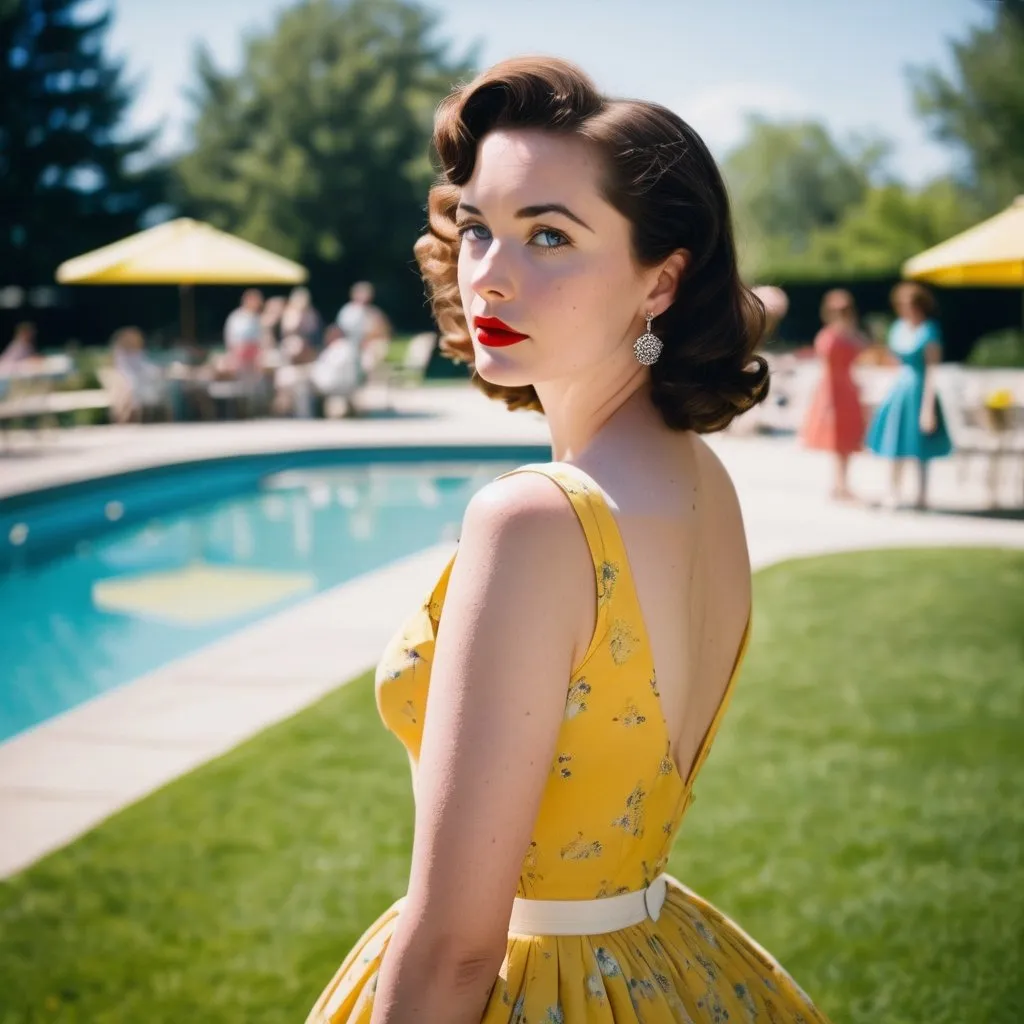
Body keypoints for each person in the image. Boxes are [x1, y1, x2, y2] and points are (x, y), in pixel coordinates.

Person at [305, 57, 833, 1024]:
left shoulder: (536, 518)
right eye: (478, 229)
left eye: (549, 235)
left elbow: (461, 947)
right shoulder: (701, 482)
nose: (490, 275)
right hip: (663, 962)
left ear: (661, 279)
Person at [866, 282, 952, 510]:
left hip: (921, 388)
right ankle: (893, 491)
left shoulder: (929, 330)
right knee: (896, 441)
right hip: (900, 389)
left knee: (921, 443)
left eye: (909, 304)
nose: (905, 309)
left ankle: (922, 495)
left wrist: (928, 406)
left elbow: (932, 368)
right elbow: (893, 361)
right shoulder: (898, 328)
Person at [800, 289, 868, 501]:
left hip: (847, 387)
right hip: (831, 387)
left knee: (847, 437)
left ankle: (843, 483)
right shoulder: (828, 333)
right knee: (835, 437)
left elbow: (864, 349)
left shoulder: (851, 333)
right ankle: (838, 484)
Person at [336, 281, 391, 375]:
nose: (365, 296)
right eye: (362, 293)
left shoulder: (374, 312)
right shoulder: (347, 311)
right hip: (350, 344)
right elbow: (342, 331)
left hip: (370, 345)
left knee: (376, 350)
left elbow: (385, 330)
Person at [223, 288, 265, 373]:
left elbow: (261, 339)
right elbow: (231, 339)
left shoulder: (258, 318)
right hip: (239, 357)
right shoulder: (236, 317)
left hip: (254, 358)